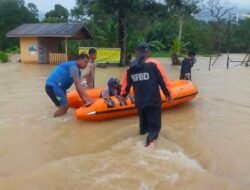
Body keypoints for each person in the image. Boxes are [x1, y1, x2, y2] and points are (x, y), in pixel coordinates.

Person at [121, 43, 172, 147]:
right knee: (154, 128)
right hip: (153, 101)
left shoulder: (131, 67)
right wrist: (168, 94)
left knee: (143, 128)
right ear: (147, 52)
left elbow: (125, 85)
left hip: (140, 102)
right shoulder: (154, 63)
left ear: (136, 53)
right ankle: (150, 145)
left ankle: (142, 141)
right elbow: (163, 81)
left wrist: (123, 96)